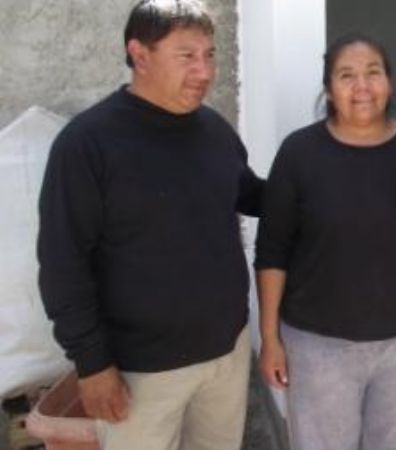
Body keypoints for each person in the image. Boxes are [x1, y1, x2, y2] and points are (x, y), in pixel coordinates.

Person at [37, 1, 264, 449]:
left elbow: (254, 196)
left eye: (210, 55)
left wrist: (328, 177)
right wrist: (92, 364)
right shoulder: (88, 143)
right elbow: (63, 263)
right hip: (139, 371)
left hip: (226, 354)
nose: (204, 71)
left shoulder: (213, 130)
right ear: (139, 55)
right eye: (186, 56)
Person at [254, 34, 396, 450]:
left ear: (389, 82)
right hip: (318, 346)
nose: (362, 87)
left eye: (373, 73)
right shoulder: (299, 153)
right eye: (346, 76)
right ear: (329, 89)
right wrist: (270, 339)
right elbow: (271, 251)